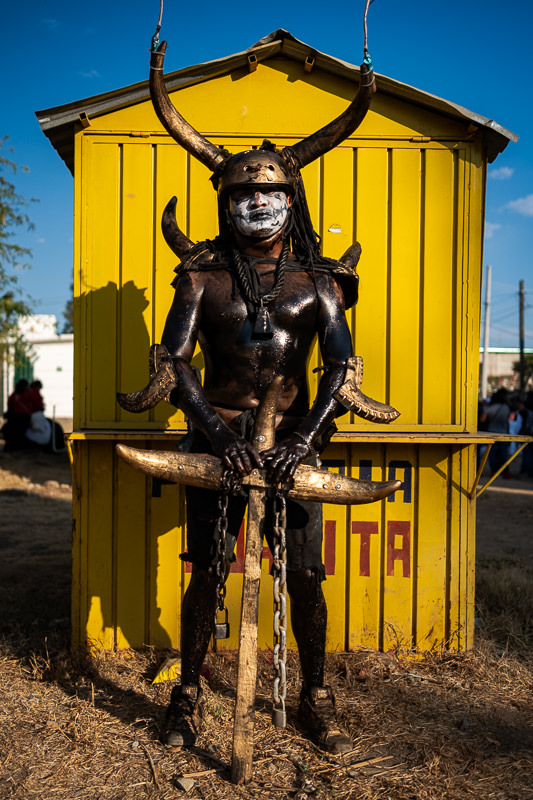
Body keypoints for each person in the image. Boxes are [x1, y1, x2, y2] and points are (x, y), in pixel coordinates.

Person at [118, 38, 394, 755]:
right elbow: (175, 363)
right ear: (225, 202)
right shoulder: (199, 279)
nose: (257, 204)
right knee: (208, 570)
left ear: (291, 201)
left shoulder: (320, 282)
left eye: (270, 193)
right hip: (216, 440)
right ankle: (186, 695)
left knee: (304, 575)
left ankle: (315, 695)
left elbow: (340, 368)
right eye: (242, 195)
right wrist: (218, 435)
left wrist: (303, 440)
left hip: (294, 443)